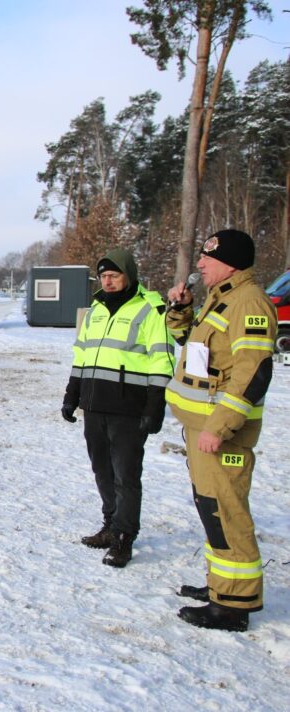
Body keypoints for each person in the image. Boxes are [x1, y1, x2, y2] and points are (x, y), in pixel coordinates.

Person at [165, 229, 277, 632]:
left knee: (226, 512)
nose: (200, 265)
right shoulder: (221, 296)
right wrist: (181, 308)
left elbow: (253, 372)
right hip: (201, 429)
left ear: (229, 262)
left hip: (220, 433)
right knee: (212, 510)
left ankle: (233, 605)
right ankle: (221, 587)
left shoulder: (249, 302)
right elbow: (189, 342)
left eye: (207, 259)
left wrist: (221, 427)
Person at [61, 248, 174, 568]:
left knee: (126, 475)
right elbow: (81, 356)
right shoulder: (96, 309)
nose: (107, 282)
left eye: (114, 276)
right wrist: (72, 395)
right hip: (95, 405)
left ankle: (124, 537)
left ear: (129, 275)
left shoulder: (151, 310)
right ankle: (110, 525)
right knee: (102, 470)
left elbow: (161, 359)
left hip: (129, 407)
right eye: (103, 277)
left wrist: (155, 405)